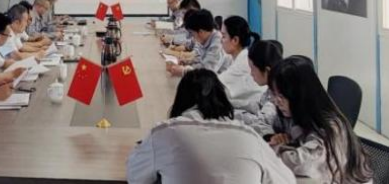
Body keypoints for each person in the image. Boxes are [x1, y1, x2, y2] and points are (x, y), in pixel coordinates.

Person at [126, 69, 296, 184]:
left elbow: (134, 176)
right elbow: (286, 180)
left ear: (180, 100)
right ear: (223, 99)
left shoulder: (164, 134)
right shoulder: (250, 137)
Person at [268, 56, 373, 184]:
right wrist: (287, 141)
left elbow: (304, 164)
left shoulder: (330, 127)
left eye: (281, 96)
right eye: (274, 94)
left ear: (300, 94)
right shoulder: (299, 115)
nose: (276, 101)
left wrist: (275, 149)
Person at [235, 40, 284, 136]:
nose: (251, 73)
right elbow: (259, 105)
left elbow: (262, 121)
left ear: (267, 70)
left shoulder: (279, 92)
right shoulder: (271, 87)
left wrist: (232, 114)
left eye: (253, 69)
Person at [219, 16, 265, 109]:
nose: (221, 40)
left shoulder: (244, 61)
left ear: (235, 40)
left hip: (259, 109)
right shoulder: (235, 56)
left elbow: (214, 84)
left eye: (223, 36)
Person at [166, 9, 225, 77]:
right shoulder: (205, 38)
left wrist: (183, 71)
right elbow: (200, 60)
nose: (193, 37)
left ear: (201, 32)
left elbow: (206, 72)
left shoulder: (218, 43)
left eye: (192, 34)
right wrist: (187, 61)